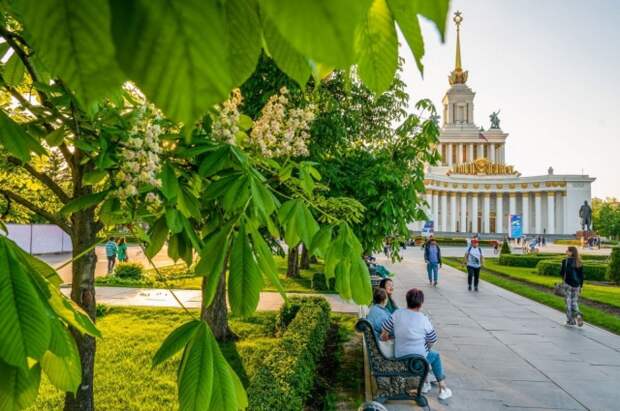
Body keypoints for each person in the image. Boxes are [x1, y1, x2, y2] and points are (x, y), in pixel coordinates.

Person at [381, 288, 453, 400]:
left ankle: (425, 383)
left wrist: (386, 337)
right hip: (417, 364)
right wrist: (426, 347)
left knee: (427, 354)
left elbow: (384, 332)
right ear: (421, 304)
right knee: (434, 356)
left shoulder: (397, 314)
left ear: (407, 300)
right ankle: (442, 388)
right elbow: (433, 340)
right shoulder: (424, 319)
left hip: (400, 359)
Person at [561, 246, 584, 327]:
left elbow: (562, 273)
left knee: (568, 303)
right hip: (577, 285)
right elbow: (581, 276)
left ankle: (570, 321)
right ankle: (578, 315)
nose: (566, 251)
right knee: (574, 302)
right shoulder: (579, 262)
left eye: (567, 250)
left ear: (571, 252)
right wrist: (581, 286)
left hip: (568, 284)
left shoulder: (565, 261)